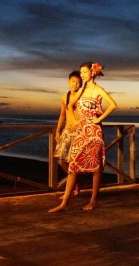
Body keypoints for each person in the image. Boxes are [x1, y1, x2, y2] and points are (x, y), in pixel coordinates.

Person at [48, 61, 117, 213]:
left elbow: (113, 105)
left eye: (84, 72)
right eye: (80, 73)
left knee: (96, 168)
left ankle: (93, 200)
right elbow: (70, 106)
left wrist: (98, 119)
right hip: (80, 131)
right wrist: (72, 123)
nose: (82, 75)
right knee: (72, 165)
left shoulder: (98, 89)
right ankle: (65, 202)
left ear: (93, 73)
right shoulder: (82, 90)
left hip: (94, 132)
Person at [52, 70, 83, 195]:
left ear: (81, 84)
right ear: (68, 82)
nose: (75, 84)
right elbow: (62, 115)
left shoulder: (82, 97)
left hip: (78, 133)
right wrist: (58, 131)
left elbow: (85, 115)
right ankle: (76, 183)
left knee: (74, 163)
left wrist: (78, 125)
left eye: (78, 82)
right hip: (67, 132)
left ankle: (68, 193)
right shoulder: (65, 97)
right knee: (61, 161)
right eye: (73, 81)